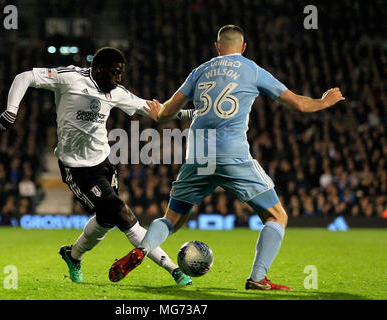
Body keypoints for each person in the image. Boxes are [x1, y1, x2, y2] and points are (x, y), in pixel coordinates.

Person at [109, 25, 345, 290]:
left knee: (172, 219)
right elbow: (300, 105)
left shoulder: (199, 71)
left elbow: (165, 114)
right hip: (231, 153)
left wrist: (158, 110)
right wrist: (324, 101)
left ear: (217, 47)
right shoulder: (253, 70)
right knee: (276, 216)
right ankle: (257, 278)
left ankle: (142, 250)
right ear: (243, 48)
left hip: (198, 152)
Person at [0, 47, 195, 286]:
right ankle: (173, 270)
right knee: (122, 213)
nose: (118, 78)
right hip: (77, 169)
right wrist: (10, 112)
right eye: (114, 73)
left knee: (107, 219)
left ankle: (72, 255)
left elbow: (155, 111)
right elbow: (24, 77)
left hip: (104, 163)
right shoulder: (70, 78)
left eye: (121, 73)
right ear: (98, 69)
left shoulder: (116, 92)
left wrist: (190, 113)